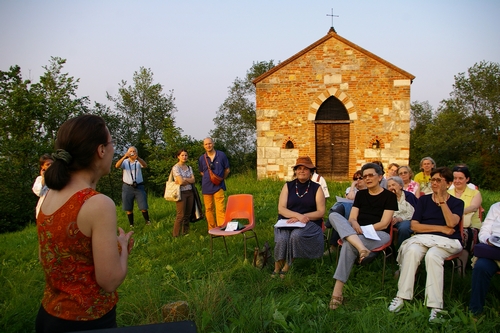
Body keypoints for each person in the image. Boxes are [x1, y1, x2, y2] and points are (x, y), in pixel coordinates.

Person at [36, 115, 134, 333]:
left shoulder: (50, 194)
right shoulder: (97, 204)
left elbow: (47, 257)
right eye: (111, 143)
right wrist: (123, 248)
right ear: (100, 150)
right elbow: (109, 281)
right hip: (88, 322)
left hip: (48, 316)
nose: (112, 149)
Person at [388, 167, 464, 322]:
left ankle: (435, 306)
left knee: (433, 255)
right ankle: (402, 296)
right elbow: (415, 226)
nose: (434, 183)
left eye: (439, 180)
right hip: (423, 238)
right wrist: (441, 228)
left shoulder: (457, 203)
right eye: (433, 179)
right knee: (412, 251)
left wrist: (442, 200)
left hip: (447, 242)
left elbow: (452, 223)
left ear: (448, 184)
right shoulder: (423, 200)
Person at [328, 163, 397, 310]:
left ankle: (337, 292)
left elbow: (385, 223)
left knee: (348, 243)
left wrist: (364, 229)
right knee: (334, 215)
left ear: (380, 177)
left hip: (379, 234)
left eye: (371, 175)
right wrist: (354, 224)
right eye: (364, 176)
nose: (367, 178)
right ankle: (361, 248)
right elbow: (352, 218)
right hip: (357, 232)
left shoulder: (389, 196)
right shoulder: (361, 195)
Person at [273, 156, 325, 278]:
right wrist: (297, 216)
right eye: (299, 168)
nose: (302, 171)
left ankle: (287, 266)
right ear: (295, 171)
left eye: (306, 169)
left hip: (309, 222)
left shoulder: (316, 188)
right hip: (286, 221)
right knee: (282, 239)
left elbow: (321, 212)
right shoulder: (288, 186)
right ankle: (276, 268)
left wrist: (302, 217)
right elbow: (281, 208)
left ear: (311, 172)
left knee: (296, 236)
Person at [324, 170, 366, 254]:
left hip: (359, 212)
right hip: (348, 211)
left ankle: (328, 224)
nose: (357, 180)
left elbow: (352, 199)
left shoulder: (369, 190)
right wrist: (353, 186)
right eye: (355, 178)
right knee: (341, 212)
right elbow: (350, 197)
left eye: (360, 178)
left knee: (341, 208)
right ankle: (333, 245)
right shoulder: (350, 189)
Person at [469, 202, 500, 315]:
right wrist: (488, 240)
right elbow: (485, 230)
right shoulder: (496, 207)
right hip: (494, 251)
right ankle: (475, 311)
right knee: (481, 267)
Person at [448, 165, 482, 266]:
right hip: (450, 224)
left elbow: (473, 207)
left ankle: (460, 270)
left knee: (465, 235)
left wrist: (455, 212)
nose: (457, 181)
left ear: (467, 179)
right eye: (455, 178)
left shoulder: (475, 193)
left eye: (461, 178)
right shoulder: (447, 193)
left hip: (470, 226)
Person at [198, 137, 230, 230]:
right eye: (206, 144)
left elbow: (227, 170)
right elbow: (202, 172)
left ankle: (222, 227)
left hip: (218, 185)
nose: (208, 145)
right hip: (206, 187)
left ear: (213, 143)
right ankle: (212, 228)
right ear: (203, 146)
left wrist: (220, 179)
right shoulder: (202, 158)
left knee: (220, 208)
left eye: (210, 143)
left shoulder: (221, 155)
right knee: (208, 209)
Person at [115, 146, 151, 228]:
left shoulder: (138, 161)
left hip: (139, 186)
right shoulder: (125, 162)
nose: (132, 152)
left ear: (136, 152)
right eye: (130, 151)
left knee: (143, 205)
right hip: (127, 186)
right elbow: (116, 166)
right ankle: (131, 224)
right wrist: (124, 156)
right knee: (128, 207)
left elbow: (145, 165)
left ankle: (147, 221)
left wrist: (137, 158)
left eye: (134, 151)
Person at [387, 176, 417, 248]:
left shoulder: (409, 196)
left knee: (404, 228)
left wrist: (400, 218)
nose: (391, 187)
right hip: (390, 220)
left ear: (400, 186)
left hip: (406, 219)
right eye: (389, 186)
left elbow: (414, 212)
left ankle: (401, 250)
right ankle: (389, 251)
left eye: (393, 185)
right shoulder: (387, 198)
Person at [171, 149, 196, 237]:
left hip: (190, 192)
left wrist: (184, 179)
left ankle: (185, 232)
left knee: (188, 214)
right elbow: (180, 182)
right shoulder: (176, 168)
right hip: (180, 192)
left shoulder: (189, 167)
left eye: (186, 155)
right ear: (178, 156)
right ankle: (176, 235)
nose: (184, 157)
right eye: (182, 155)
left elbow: (193, 180)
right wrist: (186, 180)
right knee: (180, 215)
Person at [32, 154, 54, 218]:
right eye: (47, 164)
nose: (50, 166)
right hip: (44, 210)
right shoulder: (39, 179)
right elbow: (38, 192)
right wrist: (43, 178)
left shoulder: (59, 177)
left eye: (52, 164)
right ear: (42, 167)